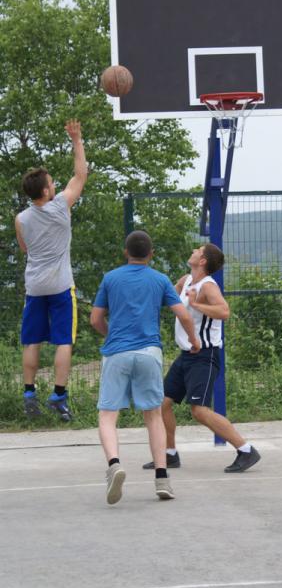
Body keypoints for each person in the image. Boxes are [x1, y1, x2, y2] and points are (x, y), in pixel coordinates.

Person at [90, 230, 200, 505]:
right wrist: (194, 340)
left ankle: (114, 464)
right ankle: (162, 478)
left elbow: (95, 319)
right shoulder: (160, 279)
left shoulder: (111, 278)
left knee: (107, 415)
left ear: (125, 252)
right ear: (151, 255)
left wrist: (110, 335)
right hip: (149, 352)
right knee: (153, 416)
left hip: (116, 352)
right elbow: (183, 314)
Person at [142, 243, 261, 474]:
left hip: (205, 355)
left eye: (198, 249)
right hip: (186, 354)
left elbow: (224, 311)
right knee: (162, 403)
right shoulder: (186, 280)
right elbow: (168, 299)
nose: (194, 250)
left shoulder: (208, 286)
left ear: (203, 260)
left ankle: (246, 450)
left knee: (199, 410)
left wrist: (196, 304)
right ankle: (170, 454)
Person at [15, 120, 87, 421]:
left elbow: (24, 249)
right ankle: (58, 395)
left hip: (34, 286)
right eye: (53, 183)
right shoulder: (60, 207)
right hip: (59, 285)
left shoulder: (21, 218)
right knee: (63, 341)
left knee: (32, 340)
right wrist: (77, 139)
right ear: (46, 190)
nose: (56, 185)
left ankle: (29, 392)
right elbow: (80, 174)